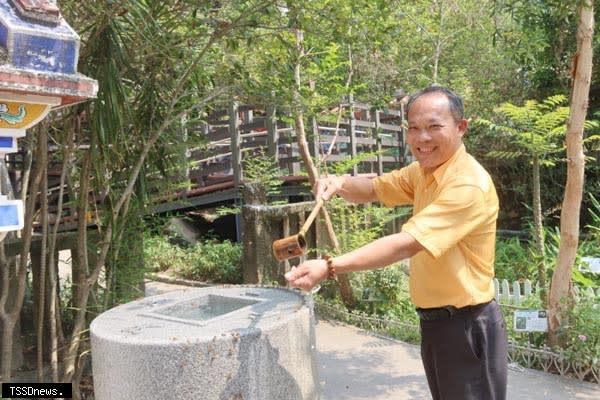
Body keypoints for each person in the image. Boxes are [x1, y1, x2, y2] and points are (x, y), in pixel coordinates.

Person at [285, 86, 508, 400]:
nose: (422, 138)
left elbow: (406, 243)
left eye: (434, 127)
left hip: (467, 326)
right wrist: (340, 182)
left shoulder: (467, 183)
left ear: (461, 127)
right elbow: (375, 187)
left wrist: (330, 266)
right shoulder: (424, 171)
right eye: (414, 129)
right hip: (438, 325)